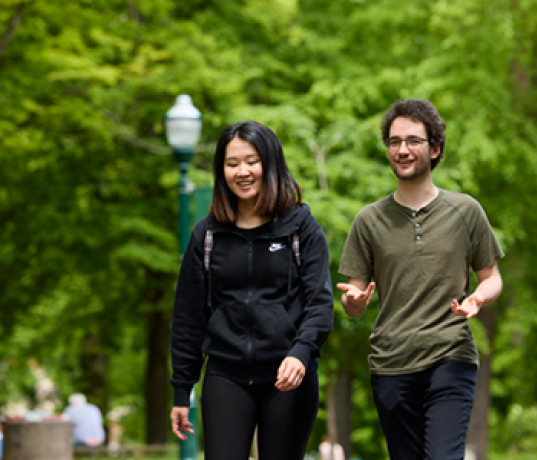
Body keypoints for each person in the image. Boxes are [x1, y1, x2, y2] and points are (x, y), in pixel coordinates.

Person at [337, 98, 504, 460]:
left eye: (413, 140)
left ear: (435, 148)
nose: (403, 149)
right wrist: (352, 303)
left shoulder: (466, 211)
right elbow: (352, 297)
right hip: (391, 363)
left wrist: (477, 298)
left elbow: (492, 278)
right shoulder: (368, 221)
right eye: (395, 142)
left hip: (451, 354)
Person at [170, 121, 334, 460]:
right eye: (232, 164)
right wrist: (182, 390)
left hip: (287, 376)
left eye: (252, 161)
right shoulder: (207, 235)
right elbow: (188, 316)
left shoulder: (301, 227)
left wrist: (301, 353)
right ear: (222, 171)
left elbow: (320, 303)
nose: (242, 171)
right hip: (225, 373)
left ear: (270, 164)